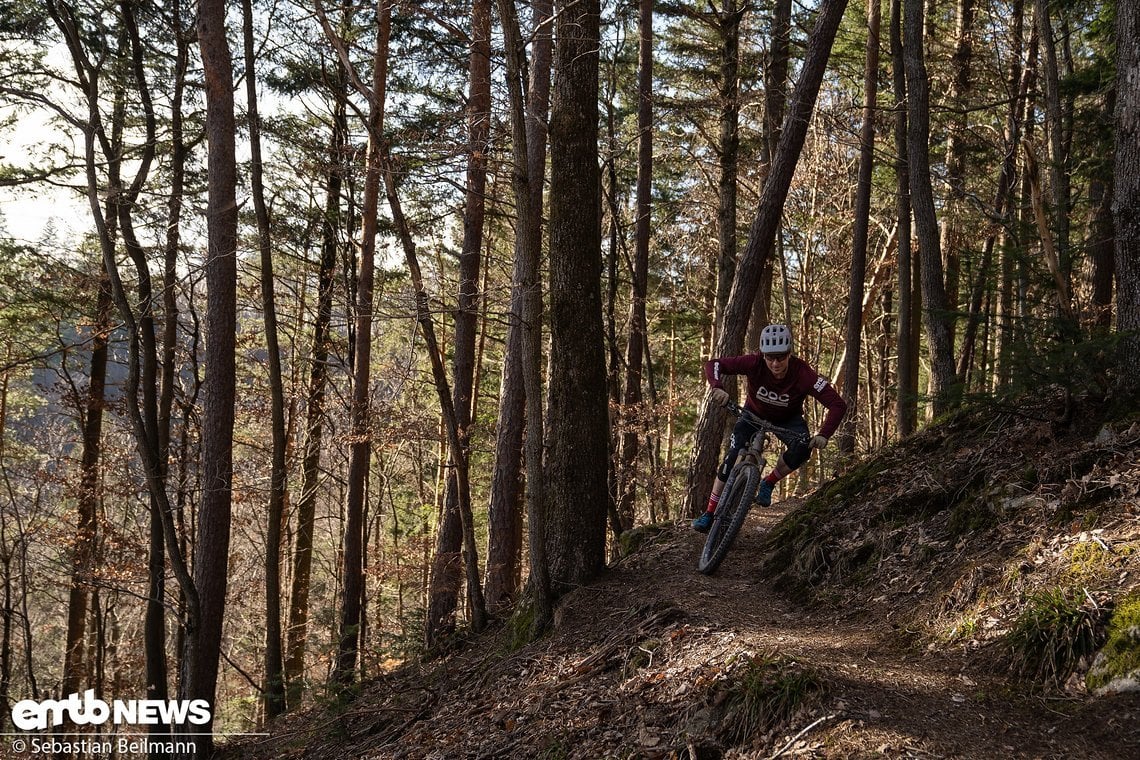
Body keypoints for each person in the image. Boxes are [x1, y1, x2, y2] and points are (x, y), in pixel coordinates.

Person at [692, 323, 847, 532]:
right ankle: (709, 513)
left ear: (789, 354)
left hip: (788, 419)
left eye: (781, 357)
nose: (775, 363)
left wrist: (824, 434)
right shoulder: (754, 362)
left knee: (802, 450)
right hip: (752, 413)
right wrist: (717, 386)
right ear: (763, 355)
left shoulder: (803, 373)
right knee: (732, 457)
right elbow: (714, 364)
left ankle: (768, 482)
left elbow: (837, 404)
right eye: (770, 357)